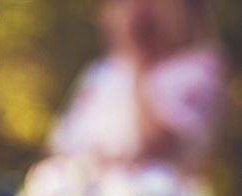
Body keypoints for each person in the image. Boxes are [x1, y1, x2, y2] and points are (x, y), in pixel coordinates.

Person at [51, 0, 226, 175]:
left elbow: (153, 142)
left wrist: (138, 62)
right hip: (88, 192)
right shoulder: (103, 72)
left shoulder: (197, 68)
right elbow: (61, 144)